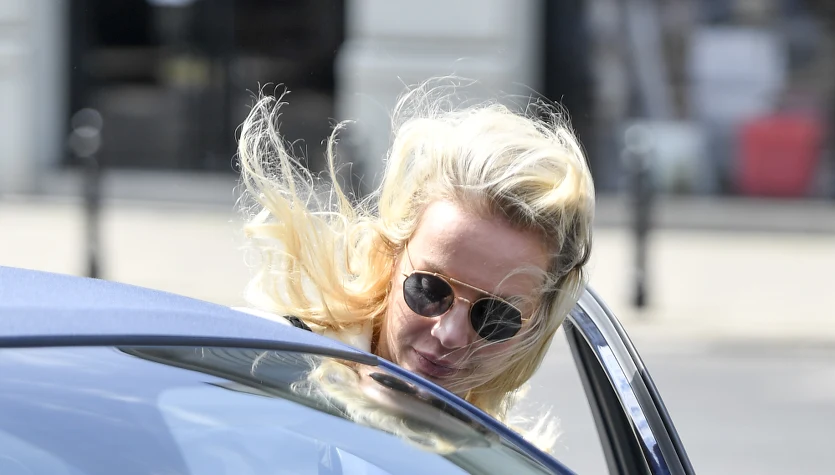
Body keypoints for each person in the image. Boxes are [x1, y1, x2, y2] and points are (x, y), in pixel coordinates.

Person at [237, 79, 595, 449]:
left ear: (537, 324)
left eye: (495, 317)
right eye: (429, 289)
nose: (449, 334)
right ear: (390, 256)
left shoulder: (495, 460)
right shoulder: (263, 369)